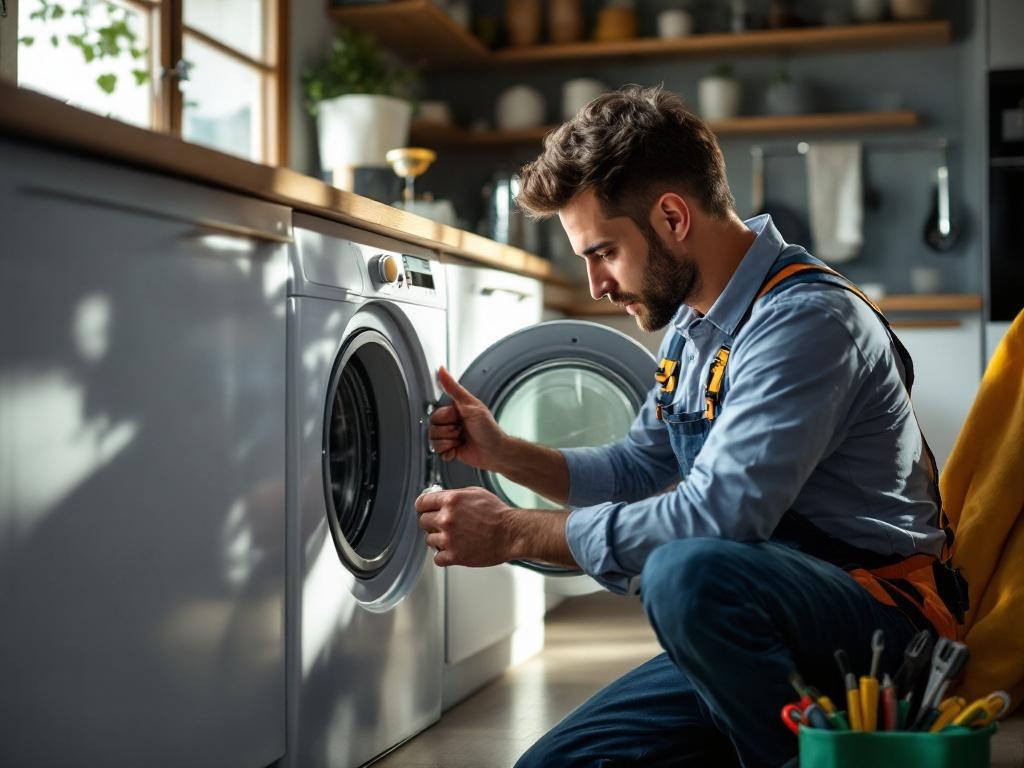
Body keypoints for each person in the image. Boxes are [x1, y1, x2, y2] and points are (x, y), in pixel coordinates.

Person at [415, 85, 965, 768]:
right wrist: (506, 454)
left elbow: (721, 520)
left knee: (684, 572)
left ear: (672, 216)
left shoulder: (806, 322)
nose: (596, 285)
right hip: (758, 618)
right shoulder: (695, 325)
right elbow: (637, 469)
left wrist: (511, 532)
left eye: (604, 252)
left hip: (880, 624)